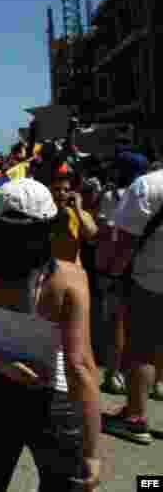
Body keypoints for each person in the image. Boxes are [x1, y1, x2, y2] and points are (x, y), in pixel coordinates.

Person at [0, 178, 101, 490]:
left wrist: (0, 362)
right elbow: (80, 367)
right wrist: (92, 452)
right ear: (48, 227)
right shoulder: (68, 279)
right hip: (53, 397)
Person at [101, 164, 163, 445]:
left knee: (142, 348)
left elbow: (124, 242)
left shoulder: (148, 186)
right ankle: (132, 408)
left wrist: (110, 275)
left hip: (151, 280)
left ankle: (135, 419)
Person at [50, 166, 98, 266]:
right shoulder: (43, 212)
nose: (62, 193)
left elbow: (92, 235)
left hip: (70, 270)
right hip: (47, 269)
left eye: (66, 190)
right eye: (57, 189)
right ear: (50, 191)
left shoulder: (80, 214)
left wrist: (78, 210)